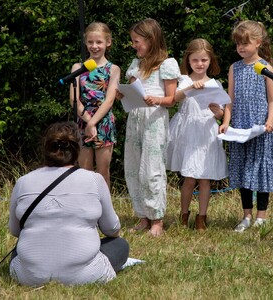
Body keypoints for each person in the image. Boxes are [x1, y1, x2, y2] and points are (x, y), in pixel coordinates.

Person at [8, 121, 129, 286]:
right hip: (86, 274)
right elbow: (112, 229)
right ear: (77, 150)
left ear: (46, 149)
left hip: (30, 276)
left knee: (18, 250)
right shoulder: (94, 180)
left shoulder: (23, 182)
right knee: (120, 245)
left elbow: (15, 230)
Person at [119, 18, 180, 237]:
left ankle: (157, 219)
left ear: (151, 39)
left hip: (154, 118)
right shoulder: (136, 64)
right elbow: (131, 89)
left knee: (151, 168)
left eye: (137, 41)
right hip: (135, 117)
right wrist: (121, 93)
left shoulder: (167, 64)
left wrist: (157, 99)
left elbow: (172, 99)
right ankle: (143, 216)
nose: (134, 45)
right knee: (134, 167)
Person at [219, 20, 273, 232]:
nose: (241, 48)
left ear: (258, 43)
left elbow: (272, 100)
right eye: (238, 44)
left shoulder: (265, 67)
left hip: (261, 128)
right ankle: (246, 216)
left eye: (245, 43)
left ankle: (261, 216)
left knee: (261, 170)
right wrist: (226, 122)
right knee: (243, 170)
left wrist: (269, 121)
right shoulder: (234, 68)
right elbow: (229, 99)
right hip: (241, 128)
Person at [167, 39, 228, 231]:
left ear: (211, 61)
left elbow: (222, 112)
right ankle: (184, 215)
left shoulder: (215, 83)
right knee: (189, 177)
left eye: (204, 60)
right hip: (187, 131)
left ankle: (202, 217)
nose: (200, 64)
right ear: (188, 60)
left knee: (204, 177)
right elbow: (174, 98)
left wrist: (218, 112)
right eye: (195, 60)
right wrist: (191, 87)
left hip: (205, 131)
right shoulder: (184, 80)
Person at [69, 22, 120, 188]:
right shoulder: (77, 67)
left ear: (108, 42)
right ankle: (87, 210)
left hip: (103, 122)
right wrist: (87, 121)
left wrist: (93, 123)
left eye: (99, 42)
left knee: (103, 172)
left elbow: (110, 100)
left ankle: (105, 211)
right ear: (85, 43)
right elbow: (74, 100)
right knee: (84, 172)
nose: (94, 46)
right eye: (90, 42)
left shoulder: (113, 69)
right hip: (83, 121)